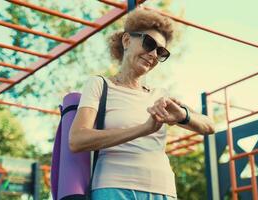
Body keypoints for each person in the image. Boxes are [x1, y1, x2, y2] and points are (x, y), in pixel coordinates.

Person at [69, 8, 215, 200]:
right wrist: (144, 129)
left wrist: (182, 116)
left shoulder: (160, 95)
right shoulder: (99, 85)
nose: (154, 54)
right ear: (127, 40)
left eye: (161, 52)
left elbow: (210, 126)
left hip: (163, 191)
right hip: (113, 188)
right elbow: (77, 140)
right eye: (149, 43)